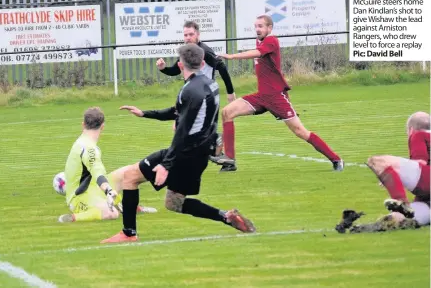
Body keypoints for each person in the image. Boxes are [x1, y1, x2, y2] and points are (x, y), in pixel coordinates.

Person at [100, 44, 255, 244]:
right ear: (201, 62)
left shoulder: (188, 90)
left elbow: (182, 131)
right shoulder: (210, 85)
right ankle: (226, 216)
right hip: (200, 156)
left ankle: (128, 233)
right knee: (174, 203)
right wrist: (145, 113)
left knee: (130, 177)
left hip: (184, 154)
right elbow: (181, 113)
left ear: (180, 65)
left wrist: (166, 165)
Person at [209, 14, 344, 172]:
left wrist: (231, 56)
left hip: (275, 98)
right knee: (227, 112)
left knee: (300, 131)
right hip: (261, 97)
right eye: (256, 26)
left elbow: (257, 53)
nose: (257, 29)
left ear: (269, 28)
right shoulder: (260, 42)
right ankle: (230, 160)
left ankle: (335, 159)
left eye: (261, 26)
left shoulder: (272, 41)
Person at [58, 107, 157, 223]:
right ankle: (74, 217)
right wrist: (108, 190)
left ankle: (128, 207)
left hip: (94, 187)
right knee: (111, 213)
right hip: (79, 197)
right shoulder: (88, 148)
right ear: (103, 126)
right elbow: (97, 171)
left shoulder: (84, 142)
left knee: (131, 171)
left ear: (83, 124)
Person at [157, 20, 236, 156]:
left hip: (204, 95)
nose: (188, 38)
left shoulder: (204, 51)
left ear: (198, 34)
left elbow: (222, 67)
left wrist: (230, 92)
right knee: (183, 127)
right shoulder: (186, 52)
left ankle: (211, 144)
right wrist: (163, 68)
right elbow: (176, 70)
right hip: (192, 94)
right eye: (185, 35)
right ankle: (215, 148)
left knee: (181, 126)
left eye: (191, 34)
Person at [364, 111, 430, 228]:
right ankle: (373, 227)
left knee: (376, 161)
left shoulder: (418, 134)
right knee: (403, 218)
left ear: (410, 129)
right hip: (426, 199)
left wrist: (392, 174)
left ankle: (403, 203)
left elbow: (421, 162)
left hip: (427, 182)